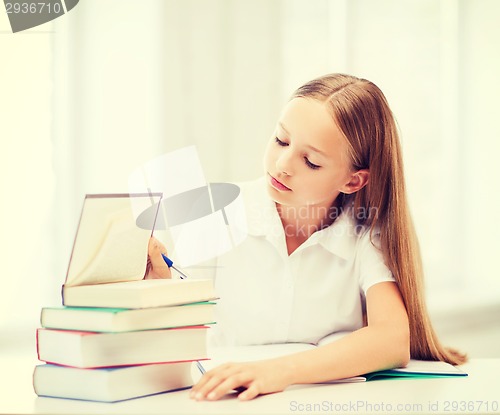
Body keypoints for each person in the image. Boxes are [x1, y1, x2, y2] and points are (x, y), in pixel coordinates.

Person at [147, 73, 467, 401]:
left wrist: (277, 371)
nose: (282, 165)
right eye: (281, 141)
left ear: (353, 181)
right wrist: (157, 287)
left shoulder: (365, 235)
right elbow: (174, 328)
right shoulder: (214, 210)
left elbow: (392, 339)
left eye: (311, 161)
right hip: (223, 403)